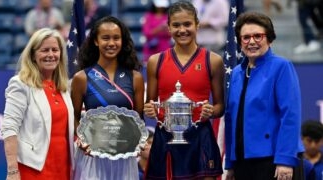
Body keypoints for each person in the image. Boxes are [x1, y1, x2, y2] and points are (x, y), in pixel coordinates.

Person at [143, 1, 225, 179]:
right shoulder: (155, 61)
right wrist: (149, 109)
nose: (182, 30)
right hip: (166, 140)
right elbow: (150, 106)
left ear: (197, 24)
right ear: (169, 27)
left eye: (187, 24)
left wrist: (210, 111)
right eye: (176, 25)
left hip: (200, 139)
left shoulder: (213, 60)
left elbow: (220, 107)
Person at [224, 11, 304, 180]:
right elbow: (231, 119)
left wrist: (285, 160)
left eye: (258, 36)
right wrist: (230, 164)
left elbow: (290, 115)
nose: (251, 41)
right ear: (240, 42)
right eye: (246, 37)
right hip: (242, 162)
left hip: (274, 161)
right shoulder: (237, 72)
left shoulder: (281, 66)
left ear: (269, 38)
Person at [71, 16, 145, 180]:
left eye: (116, 38)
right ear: (96, 41)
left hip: (125, 157)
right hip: (92, 157)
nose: (111, 43)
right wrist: (81, 139)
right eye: (105, 38)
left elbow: (139, 119)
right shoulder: (82, 78)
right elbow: (74, 117)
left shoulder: (136, 78)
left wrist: (137, 141)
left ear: (122, 41)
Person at [0, 28, 74, 179]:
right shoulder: (20, 83)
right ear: (33, 55)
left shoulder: (65, 87)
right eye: (44, 50)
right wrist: (12, 171)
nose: (51, 55)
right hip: (33, 169)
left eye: (55, 50)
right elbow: (9, 128)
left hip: (64, 168)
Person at [142, 0, 172, 67]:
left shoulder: (168, 17)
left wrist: (166, 29)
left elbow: (171, 34)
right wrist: (159, 28)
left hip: (164, 49)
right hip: (151, 49)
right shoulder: (148, 16)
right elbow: (146, 33)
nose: (160, 8)